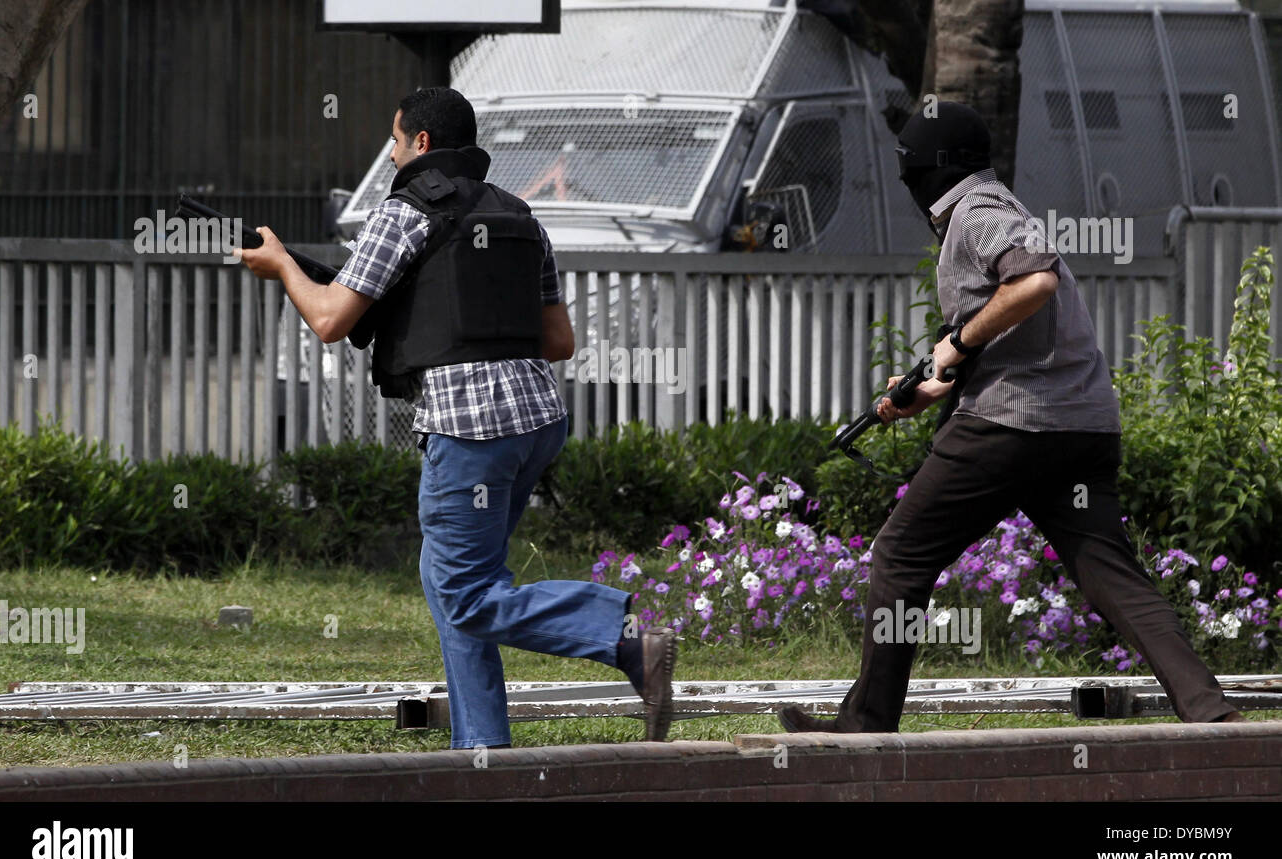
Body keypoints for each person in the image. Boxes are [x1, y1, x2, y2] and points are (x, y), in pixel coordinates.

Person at [780, 101, 1244, 733]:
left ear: (927, 168)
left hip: (1010, 426)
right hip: (1080, 429)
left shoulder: (978, 211)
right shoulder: (996, 206)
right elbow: (1011, 325)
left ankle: (866, 727)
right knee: (1109, 572)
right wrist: (933, 380)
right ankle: (1211, 712)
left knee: (900, 557)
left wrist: (960, 344)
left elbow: (1034, 283)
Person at [235, 87, 677, 747]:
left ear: (421, 143)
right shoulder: (521, 214)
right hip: (536, 420)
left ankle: (627, 641)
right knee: (451, 584)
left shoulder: (403, 212)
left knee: (465, 593)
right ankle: (480, 751)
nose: (388, 154)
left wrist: (280, 266)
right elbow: (560, 342)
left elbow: (329, 318)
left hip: (472, 428)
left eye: (394, 140)